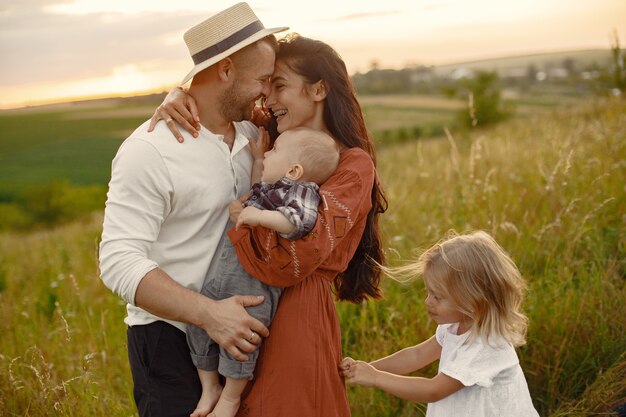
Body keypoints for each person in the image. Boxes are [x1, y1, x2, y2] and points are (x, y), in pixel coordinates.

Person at [150, 33, 388, 417]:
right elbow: (216, 103)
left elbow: (296, 252)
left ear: (319, 90)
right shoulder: (273, 135)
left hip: (296, 316)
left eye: (279, 86)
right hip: (245, 309)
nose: (268, 99)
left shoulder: (352, 165)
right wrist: (179, 96)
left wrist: (245, 220)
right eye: (267, 85)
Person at [98, 3, 288, 416]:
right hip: (170, 342)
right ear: (224, 70)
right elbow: (117, 261)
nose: (266, 91)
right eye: (261, 79)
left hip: (242, 340)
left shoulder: (257, 134)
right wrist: (209, 315)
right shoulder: (149, 151)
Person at [187, 127, 340, 417]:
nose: (269, 152)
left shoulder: (302, 191)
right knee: (196, 324)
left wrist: (259, 216)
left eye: (275, 150)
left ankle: (231, 397)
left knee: (243, 342)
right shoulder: (270, 188)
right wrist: (258, 159)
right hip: (224, 276)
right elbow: (257, 181)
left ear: (294, 170)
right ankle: (209, 386)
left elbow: (299, 222)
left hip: (253, 287)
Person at [340, 231, 540, 417]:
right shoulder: (455, 326)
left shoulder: (486, 345)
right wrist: (365, 368)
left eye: (438, 297)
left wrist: (375, 378)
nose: (428, 302)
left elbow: (433, 391)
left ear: (472, 300)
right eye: (429, 292)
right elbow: (416, 356)